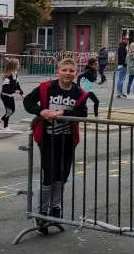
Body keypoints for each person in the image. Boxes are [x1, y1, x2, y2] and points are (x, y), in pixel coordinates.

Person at [23, 58, 89, 224]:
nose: (68, 73)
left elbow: (82, 113)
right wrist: (41, 111)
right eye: (64, 70)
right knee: (49, 173)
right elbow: (28, 101)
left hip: (67, 139)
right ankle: (43, 211)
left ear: (76, 73)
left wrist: (63, 112)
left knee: (63, 173)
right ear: (57, 71)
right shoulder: (46, 87)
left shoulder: (79, 93)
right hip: (47, 138)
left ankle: (56, 208)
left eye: (71, 71)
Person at [0, 58, 23, 129]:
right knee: (9, 111)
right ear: (14, 66)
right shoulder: (7, 76)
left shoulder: (15, 74)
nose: (19, 65)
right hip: (5, 96)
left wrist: (21, 93)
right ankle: (5, 125)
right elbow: (5, 89)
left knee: (12, 111)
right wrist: (14, 91)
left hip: (10, 96)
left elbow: (17, 85)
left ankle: (1, 120)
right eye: (18, 64)